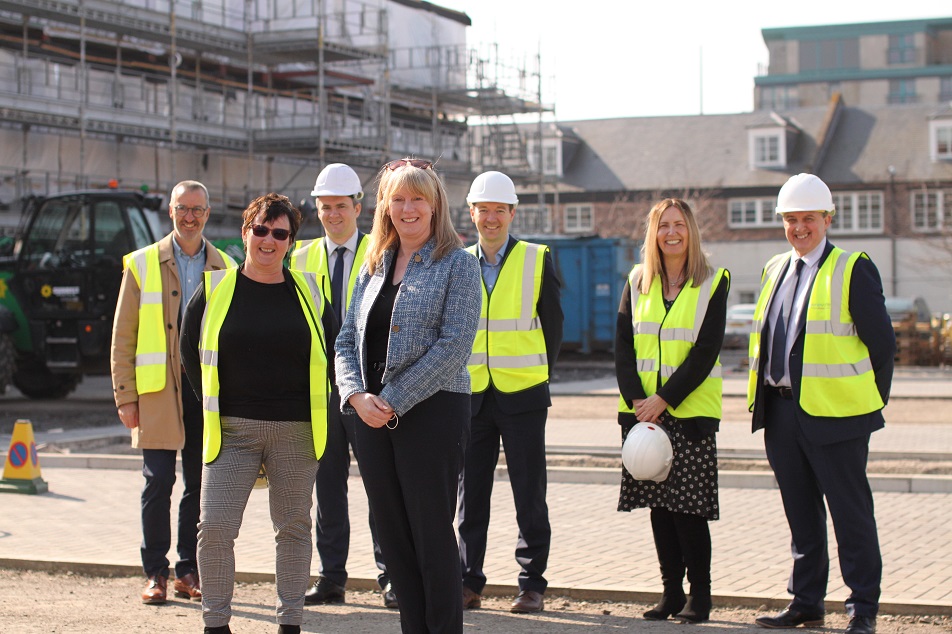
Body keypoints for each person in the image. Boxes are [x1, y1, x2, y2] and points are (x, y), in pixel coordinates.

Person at [335, 158, 481, 633]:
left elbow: (455, 345)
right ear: (385, 206)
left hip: (431, 411)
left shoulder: (458, 264)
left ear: (435, 204)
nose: (408, 207)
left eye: (418, 197)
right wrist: (356, 395)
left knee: (431, 534)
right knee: (393, 535)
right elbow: (344, 339)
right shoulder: (373, 263)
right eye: (398, 198)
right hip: (369, 416)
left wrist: (392, 399)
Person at [180, 193, 337, 634]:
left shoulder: (310, 292)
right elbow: (189, 352)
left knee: (293, 529)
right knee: (213, 527)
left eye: (280, 232)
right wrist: (211, 402)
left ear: (291, 241)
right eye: (261, 229)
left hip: (297, 433)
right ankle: (216, 625)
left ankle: (290, 623)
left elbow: (335, 351)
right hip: (232, 431)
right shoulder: (214, 289)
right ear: (246, 231)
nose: (269, 240)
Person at [749, 174, 894, 634]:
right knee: (801, 515)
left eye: (807, 218)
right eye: (791, 219)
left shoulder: (853, 268)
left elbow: (883, 345)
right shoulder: (774, 268)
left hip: (839, 417)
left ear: (827, 219)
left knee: (850, 514)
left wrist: (869, 402)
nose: (798, 227)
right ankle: (806, 602)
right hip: (781, 411)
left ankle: (862, 609)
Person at [110, 180, 233, 605]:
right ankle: (155, 572)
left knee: (199, 486)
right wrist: (125, 395)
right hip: (157, 393)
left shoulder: (226, 267)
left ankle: (187, 570)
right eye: (183, 208)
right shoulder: (142, 264)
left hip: (205, 393)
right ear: (170, 210)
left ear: (208, 212)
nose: (190, 216)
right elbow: (123, 335)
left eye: (197, 209)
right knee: (158, 481)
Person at [615, 198, 729, 624]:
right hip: (642, 414)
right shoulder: (637, 279)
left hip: (688, 414)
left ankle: (700, 597)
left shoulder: (713, 282)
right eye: (663, 226)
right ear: (653, 233)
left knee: (689, 511)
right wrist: (639, 401)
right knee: (659, 509)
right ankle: (670, 593)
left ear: (691, 230)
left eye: (679, 225)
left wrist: (664, 399)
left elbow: (705, 351)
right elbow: (624, 346)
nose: (672, 233)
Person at [456, 170, 563, 614]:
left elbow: (553, 328)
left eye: (500, 210)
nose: (492, 218)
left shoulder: (538, 258)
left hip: (522, 396)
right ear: (473, 213)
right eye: (485, 210)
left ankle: (531, 583)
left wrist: (538, 376)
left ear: (512, 213)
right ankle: (467, 581)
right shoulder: (458, 262)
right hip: (472, 395)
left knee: (528, 493)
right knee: (470, 495)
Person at [289, 164, 395, 609]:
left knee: (380, 486)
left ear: (359, 206)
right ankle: (331, 577)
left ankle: (391, 576)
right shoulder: (298, 258)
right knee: (327, 487)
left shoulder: (385, 251)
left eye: (340, 206)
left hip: (369, 391)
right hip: (320, 394)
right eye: (324, 207)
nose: (333, 215)